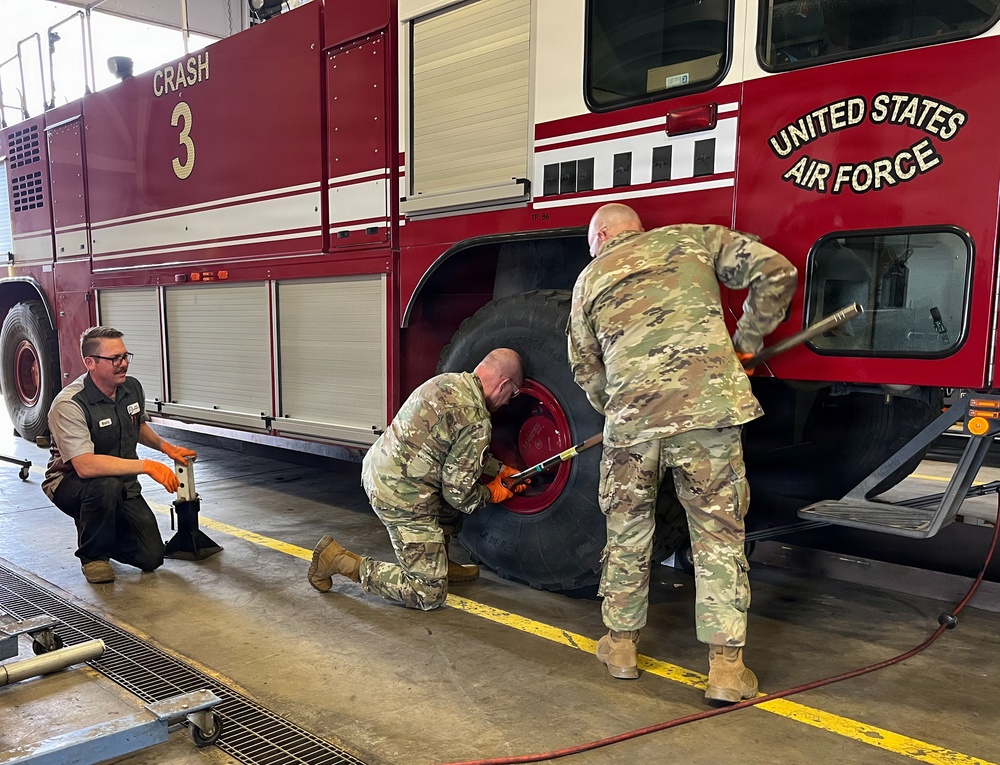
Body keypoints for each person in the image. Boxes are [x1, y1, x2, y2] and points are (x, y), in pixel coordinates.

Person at [568, 204, 797, 703]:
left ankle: (622, 647)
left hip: (632, 425)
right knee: (717, 534)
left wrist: (624, 409)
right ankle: (726, 669)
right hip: (708, 413)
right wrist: (748, 343)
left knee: (627, 532)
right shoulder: (695, 238)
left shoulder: (588, 279)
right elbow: (777, 271)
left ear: (602, 235)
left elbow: (585, 368)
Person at [308, 348, 528, 610]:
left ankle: (440, 563)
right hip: (401, 495)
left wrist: (499, 467)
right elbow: (459, 493)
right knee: (427, 593)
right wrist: (493, 492)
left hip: (378, 471)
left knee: (450, 500)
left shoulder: (448, 381)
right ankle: (337, 560)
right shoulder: (477, 418)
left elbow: (449, 449)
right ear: (504, 384)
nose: (508, 401)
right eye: (513, 393)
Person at [41, 326, 197, 584]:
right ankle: (93, 557)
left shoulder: (131, 388)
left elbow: (137, 425)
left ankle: (102, 530)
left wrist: (166, 448)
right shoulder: (69, 404)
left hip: (123, 484)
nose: (123, 363)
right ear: (89, 363)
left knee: (152, 557)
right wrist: (147, 466)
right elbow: (85, 466)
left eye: (125, 356)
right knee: (104, 487)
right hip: (72, 484)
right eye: (114, 358)